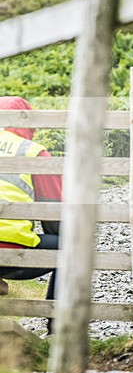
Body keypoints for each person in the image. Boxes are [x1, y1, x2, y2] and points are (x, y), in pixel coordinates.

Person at [0, 96, 62, 331]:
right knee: (70, 248)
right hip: (10, 250)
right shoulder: (33, 152)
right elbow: (55, 218)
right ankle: (58, 328)